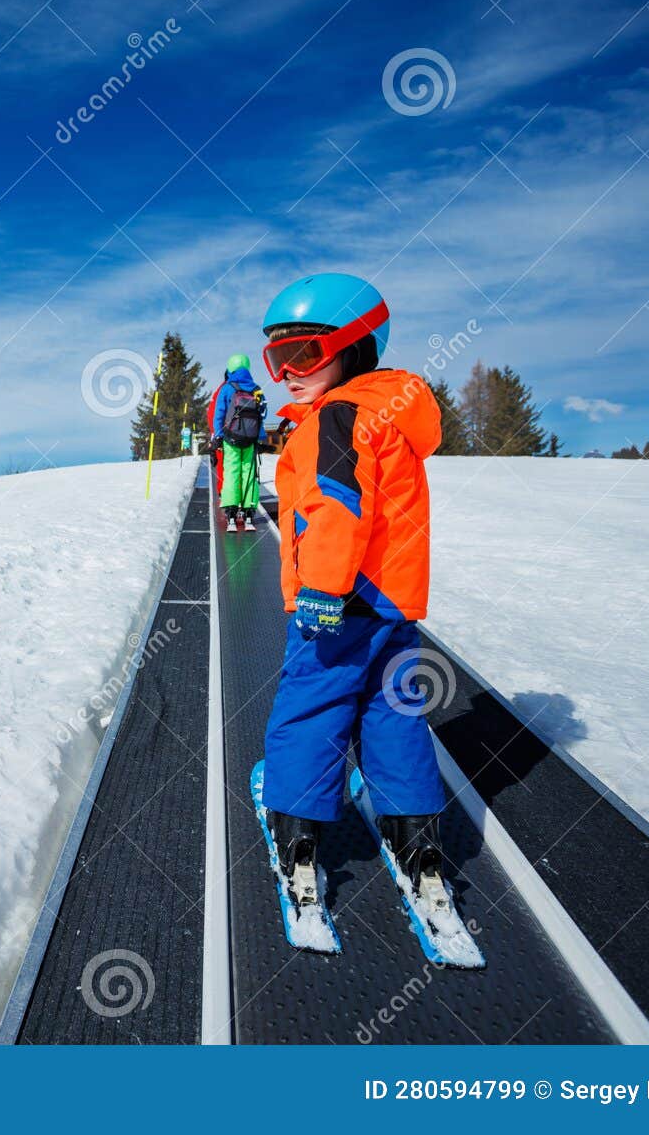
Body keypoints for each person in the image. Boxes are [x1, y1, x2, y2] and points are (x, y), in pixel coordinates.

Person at [256, 272, 449, 905]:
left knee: (313, 707)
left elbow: (338, 505)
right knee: (394, 710)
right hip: (392, 605)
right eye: (277, 356)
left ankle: (299, 835)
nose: (287, 371)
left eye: (304, 352)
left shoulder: (335, 418)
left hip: (338, 601)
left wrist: (322, 588)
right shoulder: (387, 416)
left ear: (357, 345)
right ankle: (415, 837)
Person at [208, 355, 266, 532]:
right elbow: (262, 415)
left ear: (230, 369)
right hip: (250, 439)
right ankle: (249, 512)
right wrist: (259, 436)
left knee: (232, 471)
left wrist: (218, 436)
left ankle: (231, 512)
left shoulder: (227, 388)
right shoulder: (257, 389)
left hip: (231, 439)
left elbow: (219, 414)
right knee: (249, 473)